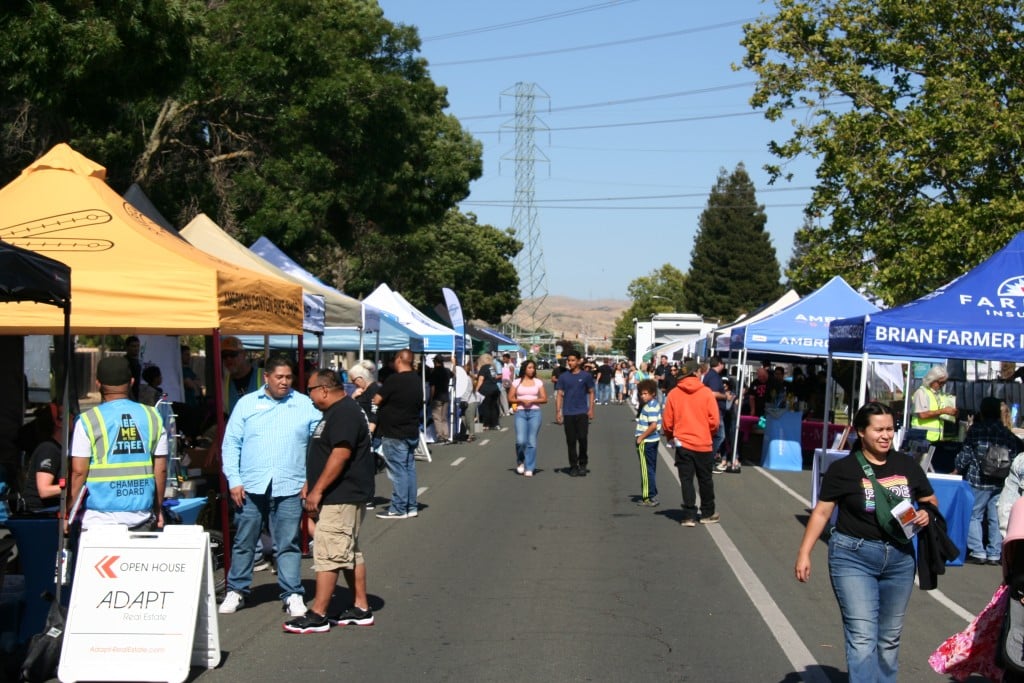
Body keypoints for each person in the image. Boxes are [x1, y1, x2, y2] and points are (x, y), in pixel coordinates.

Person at [795, 402, 937, 683]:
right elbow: (822, 512)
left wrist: (925, 514)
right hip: (853, 556)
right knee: (862, 637)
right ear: (861, 431)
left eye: (890, 429)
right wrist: (804, 553)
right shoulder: (843, 469)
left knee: (889, 639)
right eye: (879, 430)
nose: (886, 435)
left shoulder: (906, 464)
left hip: (899, 559)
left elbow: (929, 500)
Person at [218, 356, 322, 617]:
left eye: (288, 377)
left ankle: (292, 593)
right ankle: (237, 589)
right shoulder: (246, 404)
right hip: (251, 485)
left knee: (287, 543)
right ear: (267, 377)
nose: (285, 382)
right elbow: (231, 444)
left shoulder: (304, 404)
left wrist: (311, 478)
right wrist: (234, 480)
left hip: (290, 484)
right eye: (280, 377)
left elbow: (319, 442)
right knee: (244, 540)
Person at [283, 369, 375, 634]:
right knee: (348, 552)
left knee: (329, 553)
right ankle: (360, 606)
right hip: (339, 494)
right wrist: (310, 482)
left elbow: (341, 454)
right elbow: (326, 454)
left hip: (341, 495)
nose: (308, 395)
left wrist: (318, 490)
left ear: (323, 389)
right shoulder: (335, 412)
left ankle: (318, 613)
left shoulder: (344, 412)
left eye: (310, 389)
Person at [68, 356, 167, 531]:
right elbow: (161, 469)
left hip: (98, 520)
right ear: (132, 381)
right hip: (140, 517)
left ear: (98, 384)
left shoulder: (87, 421)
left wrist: (67, 511)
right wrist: (158, 509)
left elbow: (78, 472)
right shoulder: (154, 417)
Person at [955, 397, 1023, 565]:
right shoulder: (1006, 432)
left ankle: (978, 551)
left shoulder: (977, 430)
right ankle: (995, 552)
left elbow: (966, 454)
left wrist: (957, 466)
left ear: (983, 412)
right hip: (1000, 480)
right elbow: (1016, 453)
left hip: (979, 479)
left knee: (974, 515)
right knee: (996, 516)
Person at [661, 359, 720, 526]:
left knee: (686, 479)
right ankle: (708, 512)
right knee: (705, 479)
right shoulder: (706, 392)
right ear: (696, 373)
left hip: (683, 442)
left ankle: (689, 515)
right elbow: (714, 421)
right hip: (703, 442)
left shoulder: (674, 393)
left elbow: (667, 421)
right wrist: (708, 432)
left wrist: (670, 436)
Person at [373, 349, 423, 519]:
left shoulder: (394, 380)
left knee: (398, 471)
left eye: (395, 358)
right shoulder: (417, 379)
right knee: (409, 469)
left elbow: (377, 399)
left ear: (400, 359)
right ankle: (411, 505)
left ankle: (399, 507)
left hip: (395, 432)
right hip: (411, 430)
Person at [554, 350, 596, 477]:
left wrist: (591, 409)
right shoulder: (563, 377)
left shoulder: (586, 376)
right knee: (571, 441)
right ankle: (573, 466)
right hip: (568, 413)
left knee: (582, 439)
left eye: (573, 360)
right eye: (569, 360)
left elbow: (591, 392)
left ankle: (583, 463)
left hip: (582, 412)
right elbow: (560, 395)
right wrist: (558, 412)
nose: (570, 362)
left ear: (579, 361)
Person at [348, 359, 381, 509]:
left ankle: (368, 497)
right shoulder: (362, 391)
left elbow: (375, 413)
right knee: (360, 465)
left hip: (370, 434)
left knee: (367, 466)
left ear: (360, 379)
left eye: (354, 380)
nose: (353, 383)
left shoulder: (374, 390)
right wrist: (354, 397)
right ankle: (362, 494)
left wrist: (369, 434)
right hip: (361, 432)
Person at [22, 403, 63, 512]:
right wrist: (75, 485)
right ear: (58, 422)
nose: (74, 417)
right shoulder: (49, 449)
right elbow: (44, 490)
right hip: (42, 512)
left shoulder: (58, 448)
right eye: (70, 414)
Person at [509, 359, 547, 477]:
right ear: (524, 369)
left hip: (535, 413)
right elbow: (510, 397)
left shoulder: (538, 382)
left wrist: (532, 400)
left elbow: (544, 398)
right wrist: (521, 400)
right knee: (521, 441)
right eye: (530, 367)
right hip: (521, 413)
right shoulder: (516, 382)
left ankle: (530, 467)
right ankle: (520, 461)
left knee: (531, 441)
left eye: (533, 368)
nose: (532, 370)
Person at [911, 365, 957, 442]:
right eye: (941, 383)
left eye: (944, 383)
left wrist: (952, 413)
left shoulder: (937, 394)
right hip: (922, 438)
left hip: (935, 438)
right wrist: (943, 411)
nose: (943, 385)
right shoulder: (921, 393)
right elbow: (922, 414)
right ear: (932, 380)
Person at [634, 379, 661, 506]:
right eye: (641, 393)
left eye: (645, 393)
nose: (642, 396)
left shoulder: (650, 407)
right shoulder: (654, 404)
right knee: (651, 468)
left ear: (653, 393)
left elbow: (653, 425)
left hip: (646, 441)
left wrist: (641, 437)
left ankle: (648, 496)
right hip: (653, 440)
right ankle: (652, 492)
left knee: (646, 469)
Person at [221, 335, 261, 416]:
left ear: (244, 354)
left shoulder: (265, 377)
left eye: (232, 354)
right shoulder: (224, 383)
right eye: (224, 355)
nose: (228, 359)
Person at [702, 356, 729, 474]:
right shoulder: (713, 376)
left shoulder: (710, 375)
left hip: (713, 410)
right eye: (723, 363)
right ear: (720, 363)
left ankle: (708, 461)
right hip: (715, 410)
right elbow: (712, 394)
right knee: (719, 436)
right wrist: (725, 396)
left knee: (714, 436)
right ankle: (708, 461)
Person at [428, 354, 452, 443]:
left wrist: (431, 398)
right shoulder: (447, 371)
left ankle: (440, 436)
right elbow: (454, 375)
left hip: (437, 397)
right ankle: (446, 435)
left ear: (436, 362)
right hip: (446, 396)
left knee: (437, 418)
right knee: (444, 418)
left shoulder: (434, 372)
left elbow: (432, 387)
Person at [475, 353, 502, 431]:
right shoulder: (492, 368)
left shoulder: (483, 368)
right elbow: (493, 377)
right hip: (495, 389)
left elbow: (481, 380)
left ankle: (486, 424)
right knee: (493, 407)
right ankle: (495, 424)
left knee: (485, 407)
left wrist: (476, 390)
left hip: (486, 390)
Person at [124, 335, 142, 401]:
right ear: (127, 347)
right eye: (133, 346)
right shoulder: (125, 362)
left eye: (137, 346)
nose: (136, 348)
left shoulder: (138, 362)